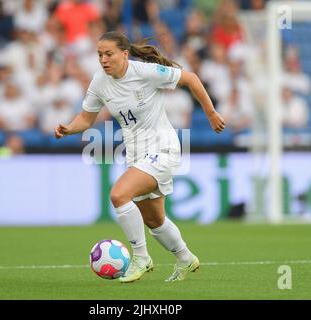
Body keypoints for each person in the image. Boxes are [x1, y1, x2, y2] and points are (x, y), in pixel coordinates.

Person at [54, 31, 225, 283]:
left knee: (118, 194)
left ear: (124, 54)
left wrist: (210, 113)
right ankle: (186, 259)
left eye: (108, 54)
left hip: (163, 149)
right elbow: (86, 118)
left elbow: (191, 79)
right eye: (100, 54)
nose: (103, 59)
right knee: (154, 220)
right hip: (136, 154)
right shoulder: (99, 81)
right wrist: (69, 128)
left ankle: (141, 258)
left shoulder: (145, 73)